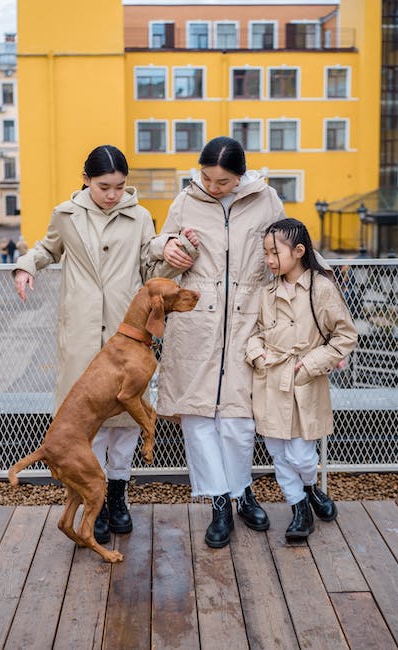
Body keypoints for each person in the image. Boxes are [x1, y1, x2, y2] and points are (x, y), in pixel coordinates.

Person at [13, 144, 190, 545]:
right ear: (86, 180)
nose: (113, 195)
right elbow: (47, 249)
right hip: (81, 332)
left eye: (120, 187)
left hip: (127, 335)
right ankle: (92, 499)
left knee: (127, 422)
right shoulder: (66, 215)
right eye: (105, 186)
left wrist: (176, 254)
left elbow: (150, 268)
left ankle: (117, 497)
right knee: (86, 422)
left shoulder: (141, 216)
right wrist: (25, 268)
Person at [148, 136, 286, 548]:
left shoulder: (267, 200)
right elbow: (156, 247)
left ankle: (243, 490)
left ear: (241, 177)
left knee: (240, 422)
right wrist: (168, 245)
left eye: (222, 181)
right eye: (206, 177)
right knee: (198, 421)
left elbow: (288, 248)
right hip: (196, 323)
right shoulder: (186, 200)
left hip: (248, 321)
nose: (213, 186)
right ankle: (219, 503)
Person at [245, 218, 358, 540]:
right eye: (265, 252)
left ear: (298, 251)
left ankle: (309, 488)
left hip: (303, 381)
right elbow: (253, 333)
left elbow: (345, 336)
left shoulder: (321, 288)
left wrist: (309, 365)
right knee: (279, 453)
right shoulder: (266, 292)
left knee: (301, 456)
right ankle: (299, 509)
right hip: (270, 380)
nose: (269, 260)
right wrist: (257, 354)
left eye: (274, 252)